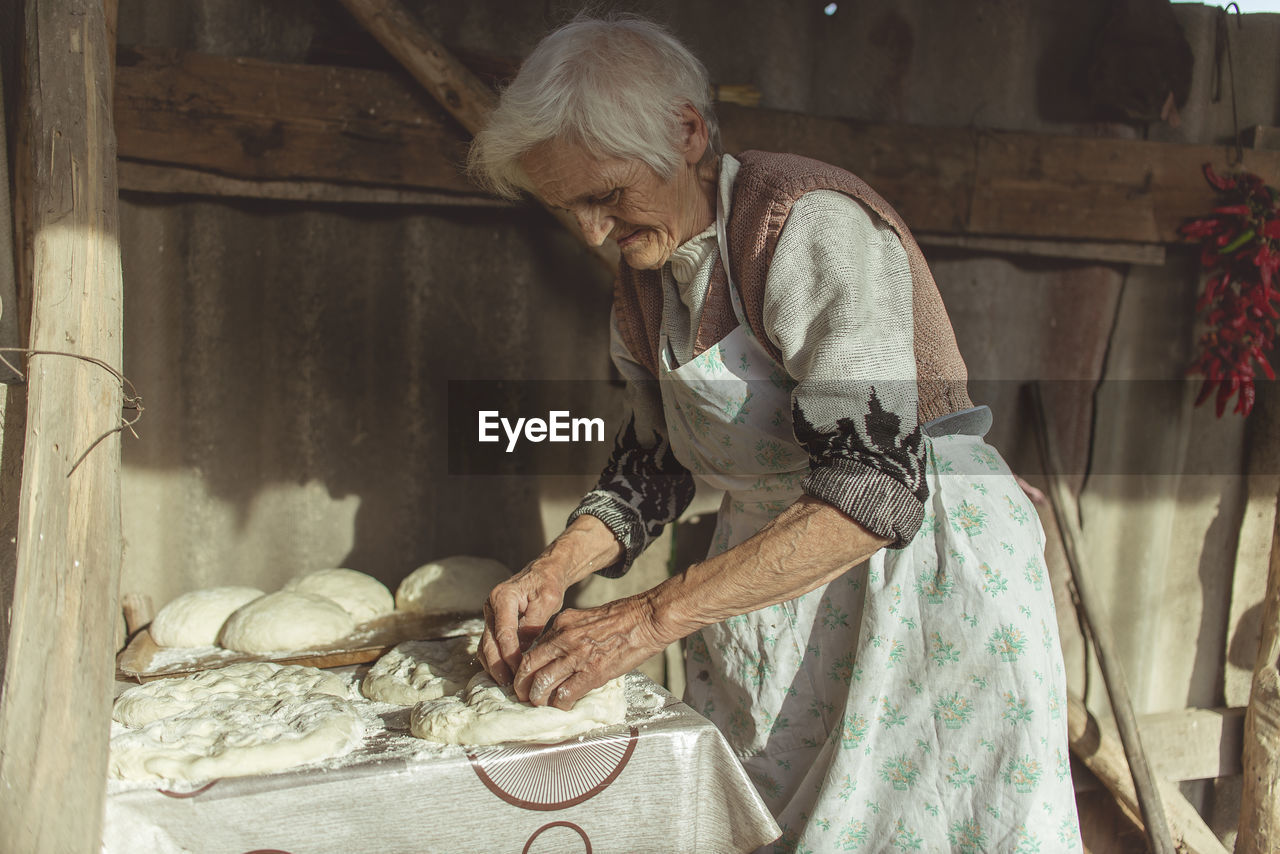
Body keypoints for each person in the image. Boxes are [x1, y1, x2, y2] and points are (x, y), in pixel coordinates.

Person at [470, 15, 1082, 853]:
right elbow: (656, 465)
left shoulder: (805, 226)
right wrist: (555, 570)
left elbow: (875, 487)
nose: (591, 233)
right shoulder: (646, 282)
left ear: (686, 131)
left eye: (605, 195)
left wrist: (644, 620)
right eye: (565, 207)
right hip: (772, 582)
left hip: (916, 570)